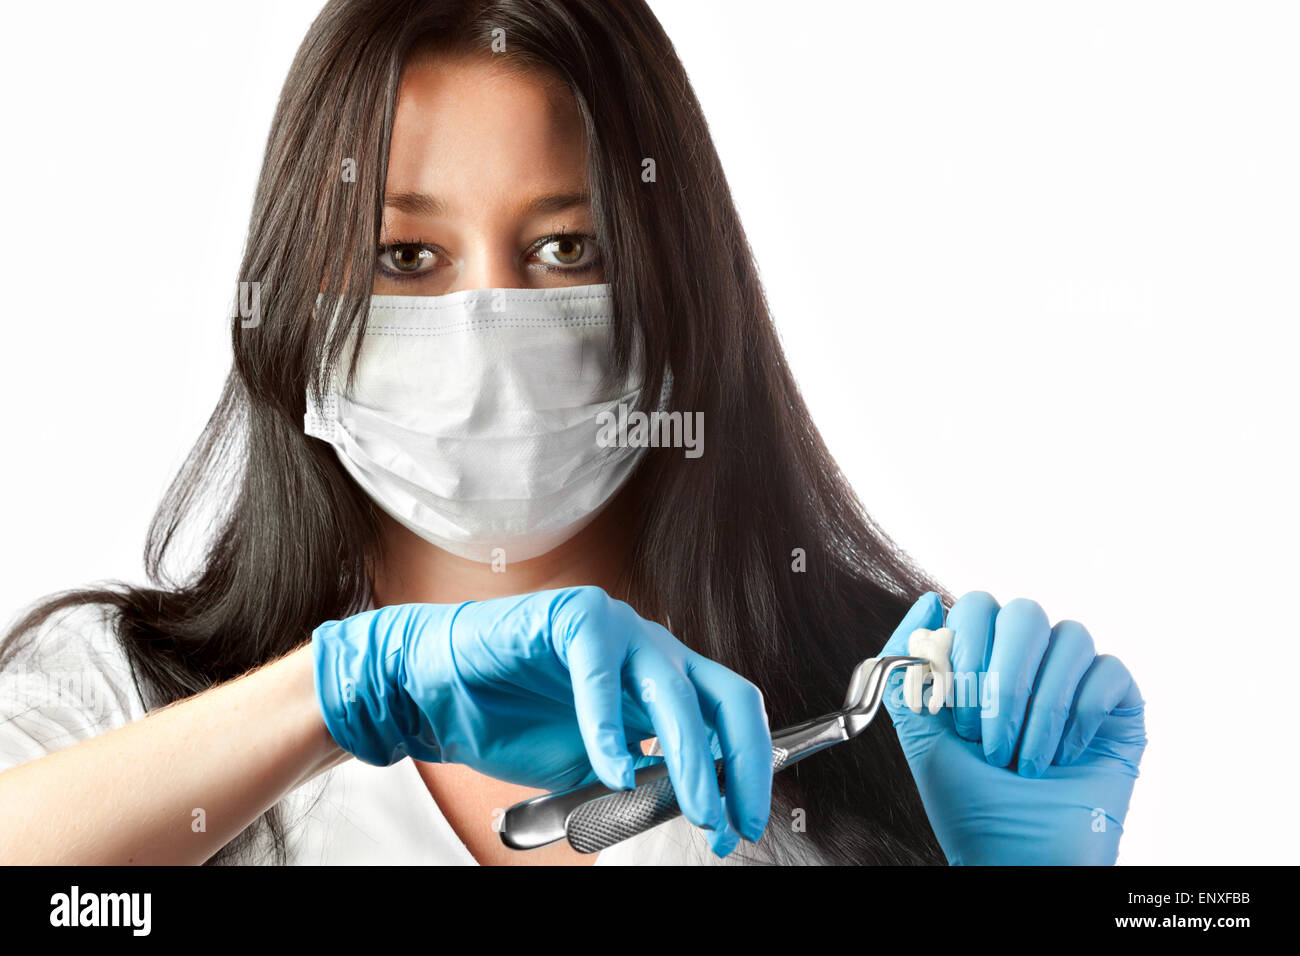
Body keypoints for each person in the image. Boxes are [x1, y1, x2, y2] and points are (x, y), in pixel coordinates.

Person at [0, 0, 1146, 866]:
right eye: (405, 258)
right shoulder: (124, 705)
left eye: (565, 250)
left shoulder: (893, 735)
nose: (487, 326)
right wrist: (334, 696)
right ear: (299, 308)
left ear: (681, 287)